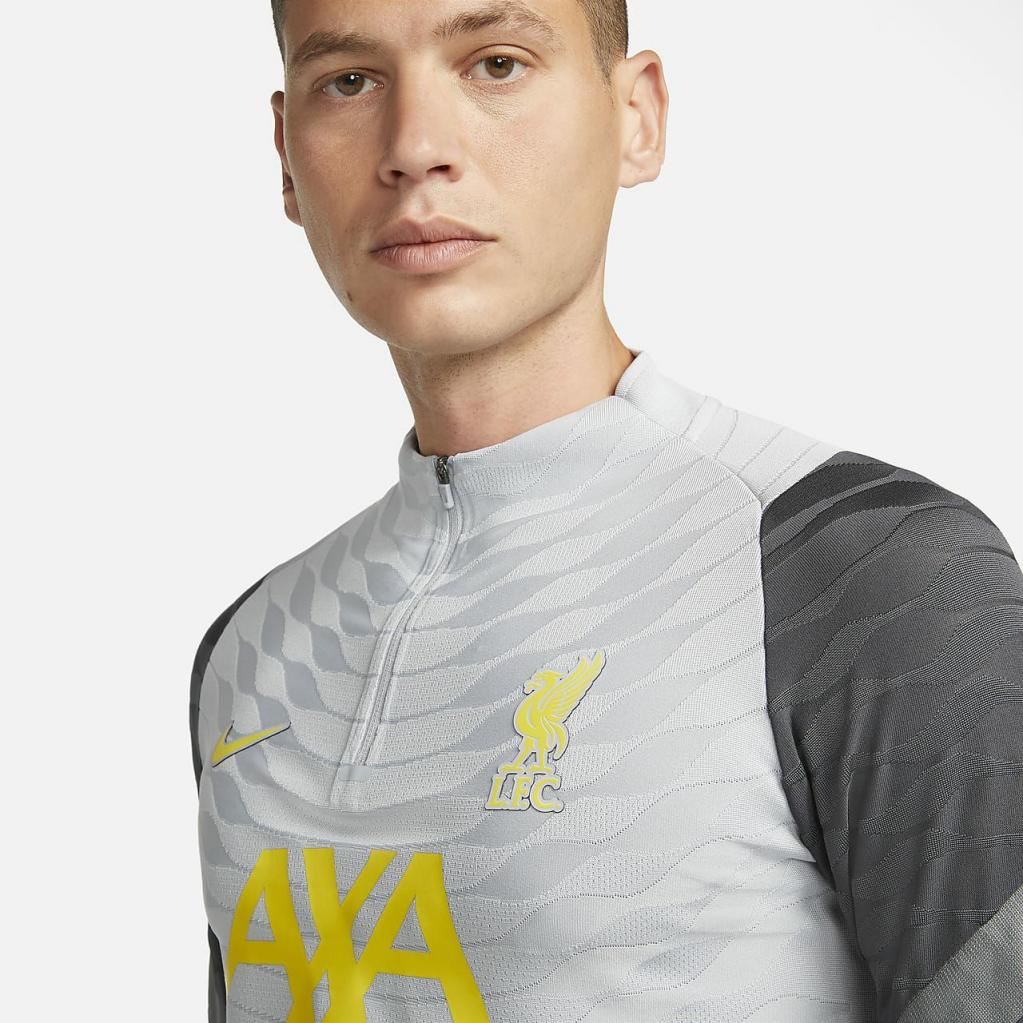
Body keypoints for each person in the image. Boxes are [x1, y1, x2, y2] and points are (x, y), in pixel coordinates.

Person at [189, 1, 1023, 1021]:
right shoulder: (254, 646)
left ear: (637, 116)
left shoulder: (865, 575)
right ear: (287, 153)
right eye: (350, 81)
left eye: (496, 64)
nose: (414, 148)